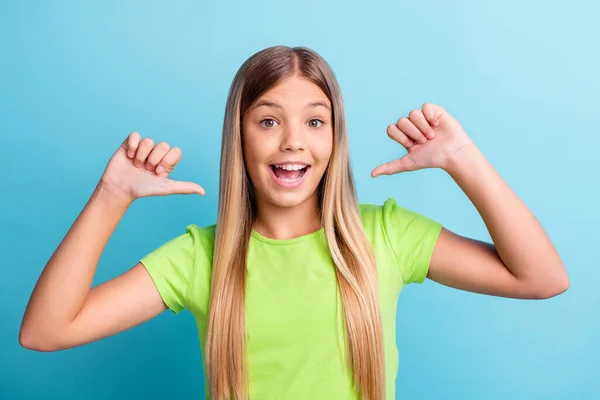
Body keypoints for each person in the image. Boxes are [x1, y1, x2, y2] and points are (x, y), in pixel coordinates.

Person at [19, 45, 569, 400]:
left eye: (314, 121)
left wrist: (463, 160)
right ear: (239, 136)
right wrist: (111, 195)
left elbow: (542, 278)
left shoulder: (387, 236)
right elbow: (45, 331)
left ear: (335, 138)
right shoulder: (198, 258)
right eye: (267, 120)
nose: (292, 141)